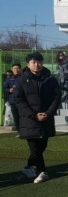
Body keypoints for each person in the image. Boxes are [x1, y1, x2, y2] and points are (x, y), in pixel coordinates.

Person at [13, 52, 61, 183]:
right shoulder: (21, 80)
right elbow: (18, 99)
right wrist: (34, 115)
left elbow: (57, 97)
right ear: (28, 64)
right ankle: (42, 172)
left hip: (46, 119)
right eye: (33, 62)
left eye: (39, 62)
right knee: (34, 147)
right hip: (29, 120)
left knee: (42, 146)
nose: (37, 65)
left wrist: (48, 113)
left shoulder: (50, 79)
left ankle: (29, 167)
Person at [3, 63, 22, 130]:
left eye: (18, 68)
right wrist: (9, 90)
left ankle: (25, 130)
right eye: (14, 68)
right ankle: (19, 131)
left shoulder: (24, 78)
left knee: (23, 116)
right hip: (13, 101)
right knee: (16, 117)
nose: (16, 70)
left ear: (20, 69)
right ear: (12, 69)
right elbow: (4, 89)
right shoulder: (9, 79)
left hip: (23, 101)